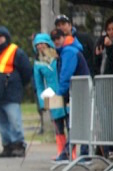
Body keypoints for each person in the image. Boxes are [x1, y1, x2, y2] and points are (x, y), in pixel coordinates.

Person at [0, 27, 32, 158]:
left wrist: (17, 85)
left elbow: (26, 71)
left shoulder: (16, 51)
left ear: (6, 38)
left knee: (14, 120)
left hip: (10, 93)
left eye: (1, 37)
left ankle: (18, 145)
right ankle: (7, 146)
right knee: (1, 123)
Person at [51, 29, 91, 160]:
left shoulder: (68, 51)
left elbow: (66, 75)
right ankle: (72, 152)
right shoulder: (69, 50)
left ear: (64, 37)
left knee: (77, 122)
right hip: (79, 90)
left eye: (58, 38)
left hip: (79, 91)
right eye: (54, 39)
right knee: (78, 122)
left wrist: (59, 93)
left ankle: (81, 153)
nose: (56, 41)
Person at [32, 33, 67, 161]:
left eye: (42, 43)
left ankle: (71, 152)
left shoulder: (58, 56)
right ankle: (61, 152)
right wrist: (42, 102)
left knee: (70, 123)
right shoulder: (37, 63)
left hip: (65, 92)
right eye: (37, 44)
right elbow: (39, 85)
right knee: (58, 124)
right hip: (51, 94)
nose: (40, 46)